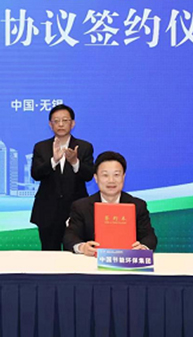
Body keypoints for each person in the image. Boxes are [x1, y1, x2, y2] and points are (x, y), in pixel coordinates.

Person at [64, 151, 157, 256]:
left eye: (116, 175)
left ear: (123, 177)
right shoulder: (81, 206)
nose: (111, 180)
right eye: (105, 175)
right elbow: (70, 236)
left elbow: (149, 237)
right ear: (96, 178)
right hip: (92, 261)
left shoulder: (137, 205)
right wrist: (82, 247)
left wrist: (143, 247)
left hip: (126, 261)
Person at [30, 104, 95, 250]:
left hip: (76, 210)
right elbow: (35, 174)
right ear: (50, 124)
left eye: (65, 120)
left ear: (73, 123)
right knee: (49, 253)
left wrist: (75, 162)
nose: (60, 124)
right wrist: (53, 161)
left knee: (75, 251)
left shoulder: (84, 147)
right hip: (47, 210)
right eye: (56, 121)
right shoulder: (41, 147)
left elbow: (89, 175)